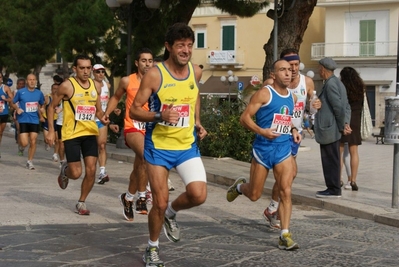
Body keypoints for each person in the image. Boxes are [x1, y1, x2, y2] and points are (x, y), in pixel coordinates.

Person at [128, 23, 207, 266]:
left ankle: (172, 213)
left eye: (190, 45)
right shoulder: (155, 74)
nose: (186, 50)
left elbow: (193, 98)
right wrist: (159, 116)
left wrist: (197, 122)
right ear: (169, 47)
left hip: (186, 146)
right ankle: (151, 248)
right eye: (181, 45)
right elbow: (133, 110)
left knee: (198, 195)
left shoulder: (196, 71)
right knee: (158, 203)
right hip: (159, 148)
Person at [227, 59, 300, 251]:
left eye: (289, 70)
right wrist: (262, 131)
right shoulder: (264, 93)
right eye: (282, 70)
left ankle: (284, 234)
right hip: (262, 150)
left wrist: (293, 129)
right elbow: (244, 118)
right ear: (273, 75)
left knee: (286, 190)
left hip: (283, 149)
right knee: (254, 194)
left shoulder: (292, 97)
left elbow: (286, 118)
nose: (288, 73)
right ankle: (241, 187)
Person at [262, 49, 316, 229]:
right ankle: (273, 209)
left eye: (295, 65)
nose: (292, 69)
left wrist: (316, 105)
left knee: (289, 175)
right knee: (288, 175)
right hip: (276, 134)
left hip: (295, 133)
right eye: (288, 66)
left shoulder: (306, 82)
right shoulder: (271, 83)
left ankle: (273, 209)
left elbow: (312, 106)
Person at [46, 54, 104, 215]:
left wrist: (106, 119)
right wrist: (51, 130)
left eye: (88, 68)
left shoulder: (96, 86)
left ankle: (81, 202)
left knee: (91, 170)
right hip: (71, 134)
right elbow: (51, 107)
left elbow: (98, 110)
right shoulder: (67, 86)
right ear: (75, 69)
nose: (86, 71)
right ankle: (65, 170)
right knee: (76, 173)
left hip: (90, 133)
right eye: (82, 68)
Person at [103, 48, 154, 219]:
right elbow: (116, 97)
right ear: (137, 63)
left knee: (140, 165)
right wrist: (106, 114)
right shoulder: (127, 81)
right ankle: (141, 197)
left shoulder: (156, 81)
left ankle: (128, 198)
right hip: (132, 126)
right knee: (147, 157)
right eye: (144, 61)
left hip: (150, 127)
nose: (147, 64)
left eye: (150, 61)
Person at [314, 57, 351, 198]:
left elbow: (338, 107)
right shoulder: (338, 83)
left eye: (319, 68)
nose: (318, 71)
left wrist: (343, 126)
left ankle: (333, 189)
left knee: (330, 160)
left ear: (323, 69)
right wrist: (345, 123)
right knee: (333, 158)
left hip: (330, 129)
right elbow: (346, 106)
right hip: (334, 128)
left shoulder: (330, 84)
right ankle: (333, 187)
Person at [339, 66, 364, 191]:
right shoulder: (360, 88)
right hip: (356, 121)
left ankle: (339, 179)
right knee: (354, 152)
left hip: (344, 120)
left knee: (340, 150)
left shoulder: (342, 88)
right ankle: (353, 180)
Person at [12, 74, 45, 169]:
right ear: (27, 81)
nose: (32, 81)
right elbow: (13, 103)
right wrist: (17, 109)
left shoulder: (39, 93)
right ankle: (21, 146)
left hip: (34, 120)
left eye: (34, 80)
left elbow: (42, 104)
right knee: (24, 143)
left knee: (33, 141)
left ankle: (30, 161)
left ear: (35, 81)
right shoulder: (21, 92)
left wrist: (42, 109)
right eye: (30, 79)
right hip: (23, 119)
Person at [92, 64, 111, 184]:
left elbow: (108, 100)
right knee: (91, 147)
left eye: (103, 72)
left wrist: (112, 110)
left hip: (102, 119)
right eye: (98, 72)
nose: (101, 74)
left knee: (102, 145)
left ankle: (102, 171)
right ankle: (90, 170)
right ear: (93, 73)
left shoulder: (107, 85)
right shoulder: (89, 84)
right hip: (89, 120)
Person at [41, 83, 60, 161]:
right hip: (47, 120)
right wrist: (41, 113)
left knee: (57, 139)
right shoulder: (47, 97)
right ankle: (46, 143)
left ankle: (55, 154)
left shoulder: (60, 98)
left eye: (57, 88)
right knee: (47, 139)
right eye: (54, 88)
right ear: (51, 89)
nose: (55, 90)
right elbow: (41, 107)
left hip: (56, 120)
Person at [0, 73, 14, 158]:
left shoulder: (5, 88)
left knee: (0, 133)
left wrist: (5, 99)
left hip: (3, 113)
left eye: (0, 77)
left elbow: (11, 98)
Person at [13, 78, 26, 148]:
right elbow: (12, 103)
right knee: (19, 129)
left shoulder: (27, 92)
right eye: (19, 84)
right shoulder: (14, 92)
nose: (21, 85)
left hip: (26, 113)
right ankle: (20, 146)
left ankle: (23, 142)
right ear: (17, 85)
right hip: (17, 113)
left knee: (25, 131)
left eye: (22, 84)